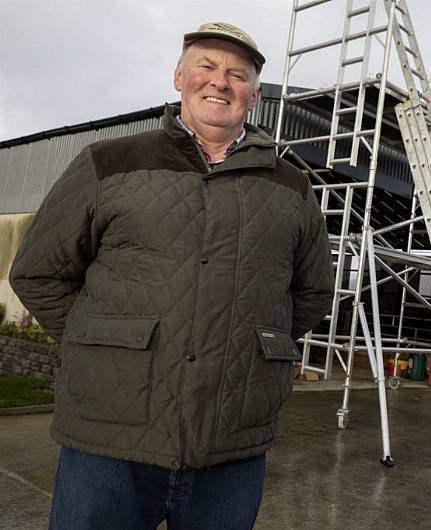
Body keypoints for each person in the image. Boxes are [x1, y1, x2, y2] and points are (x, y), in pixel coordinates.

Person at [10, 21, 333, 529]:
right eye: (205, 66)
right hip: (109, 436)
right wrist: (101, 342)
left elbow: (312, 291)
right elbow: (38, 273)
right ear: (179, 76)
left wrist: (248, 345)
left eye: (237, 74)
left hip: (231, 441)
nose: (219, 82)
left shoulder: (291, 185)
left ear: (254, 96)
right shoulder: (109, 162)